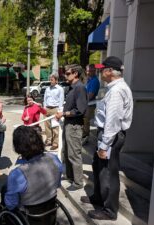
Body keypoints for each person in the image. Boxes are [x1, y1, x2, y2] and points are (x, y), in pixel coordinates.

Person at [80, 56, 133, 220]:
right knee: (98, 168)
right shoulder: (115, 88)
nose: (100, 71)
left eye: (103, 68)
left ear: (110, 71)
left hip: (111, 135)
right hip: (108, 134)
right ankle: (98, 196)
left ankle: (109, 210)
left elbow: (112, 121)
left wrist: (104, 146)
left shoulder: (117, 91)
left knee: (108, 173)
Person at [2, 126, 63, 225]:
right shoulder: (54, 158)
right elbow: (57, 184)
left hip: (29, 215)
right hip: (50, 206)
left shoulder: (18, 173)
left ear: (18, 147)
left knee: (5, 190)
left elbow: (11, 205)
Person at [56, 64, 88, 191]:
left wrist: (63, 113)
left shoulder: (80, 88)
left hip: (74, 125)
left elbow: (80, 110)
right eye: (65, 72)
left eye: (68, 73)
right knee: (67, 152)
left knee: (74, 154)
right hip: (69, 124)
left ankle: (78, 182)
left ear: (75, 74)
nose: (65, 75)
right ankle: (71, 177)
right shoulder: (72, 87)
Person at [43, 73, 64, 150]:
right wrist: (44, 108)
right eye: (50, 79)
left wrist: (59, 111)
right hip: (47, 109)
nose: (50, 81)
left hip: (55, 109)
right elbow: (45, 99)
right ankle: (49, 140)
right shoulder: (47, 89)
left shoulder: (60, 89)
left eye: (52, 79)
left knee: (55, 126)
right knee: (47, 127)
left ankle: (55, 143)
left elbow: (61, 101)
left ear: (56, 80)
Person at [82, 64, 100, 144]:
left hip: (89, 105)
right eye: (87, 70)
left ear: (93, 70)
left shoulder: (95, 81)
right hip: (86, 104)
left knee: (86, 121)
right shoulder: (89, 80)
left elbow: (90, 95)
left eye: (88, 71)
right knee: (84, 121)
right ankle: (84, 136)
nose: (87, 72)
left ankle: (85, 137)